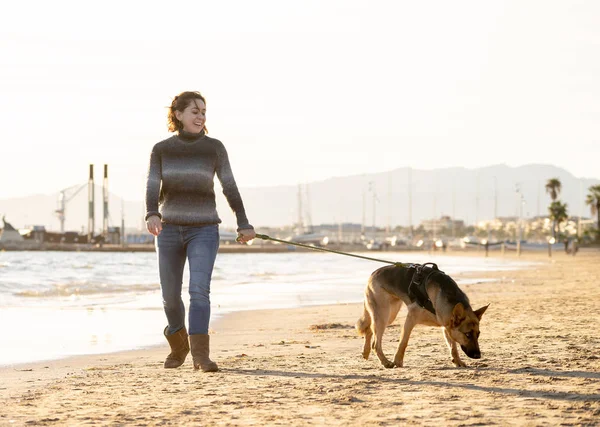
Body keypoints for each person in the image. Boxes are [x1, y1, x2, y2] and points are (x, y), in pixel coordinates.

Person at [145, 91, 256, 372]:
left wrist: (243, 223)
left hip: (204, 230)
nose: (201, 116)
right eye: (194, 111)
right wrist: (152, 213)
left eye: (204, 111)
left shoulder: (214, 148)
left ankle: (200, 356)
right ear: (178, 114)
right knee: (170, 296)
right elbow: (151, 185)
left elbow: (229, 186)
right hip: (169, 229)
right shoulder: (161, 149)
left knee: (199, 291)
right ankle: (177, 342)